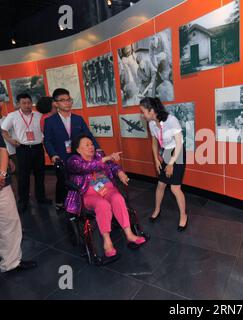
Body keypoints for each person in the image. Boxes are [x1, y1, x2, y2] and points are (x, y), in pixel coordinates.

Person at [64, 134, 146, 257]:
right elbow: (86, 167)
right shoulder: (73, 161)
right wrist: (105, 159)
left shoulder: (98, 155)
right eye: (86, 145)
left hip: (107, 189)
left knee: (118, 198)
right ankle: (107, 242)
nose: (91, 147)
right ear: (78, 149)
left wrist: (120, 172)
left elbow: (113, 166)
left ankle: (129, 234)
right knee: (103, 205)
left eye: (91, 144)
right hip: (88, 194)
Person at [43, 88, 101, 210]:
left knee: (80, 180)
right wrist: (53, 155)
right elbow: (47, 140)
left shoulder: (78, 119)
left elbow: (88, 135)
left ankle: (81, 204)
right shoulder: (50, 121)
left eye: (69, 100)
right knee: (63, 180)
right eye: (63, 100)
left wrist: (97, 149)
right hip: (60, 157)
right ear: (55, 103)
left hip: (78, 157)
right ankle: (61, 202)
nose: (67, 103)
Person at [139, 97, 188, 231]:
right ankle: (157, 209)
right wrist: (155, 158)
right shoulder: (151, 123)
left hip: (177, 152)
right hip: (166, 151)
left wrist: (171, 163)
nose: (142, 115)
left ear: (152, 111)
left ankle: (183, 216)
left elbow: (179, 144)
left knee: (174, 188)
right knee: (161, 184)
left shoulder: (171, 120)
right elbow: (154, 141)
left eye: (143, 112)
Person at [1, 93, 51, 213]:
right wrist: (10, 140)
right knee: (23, 176)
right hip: (22, 149)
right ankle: (23, 201)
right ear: (18, 104)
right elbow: (3, 130)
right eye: (24, 103)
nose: (27, 105)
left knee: (40, 174)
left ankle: (41, 197)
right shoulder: (12, 116)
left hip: (38, 148)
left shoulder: (39, 115)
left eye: (29, 103)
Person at [0, 132, 37, 272]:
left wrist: (2, 174)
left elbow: (2, 148)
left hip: (1, 183)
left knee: (10, 221)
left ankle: (11, 262)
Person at [0, 97, 18, 193]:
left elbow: (13, 135)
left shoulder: (7, 119)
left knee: (18, 174)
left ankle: (23, 196)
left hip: (11, 152)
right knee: (5, 177)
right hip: (2, 154)